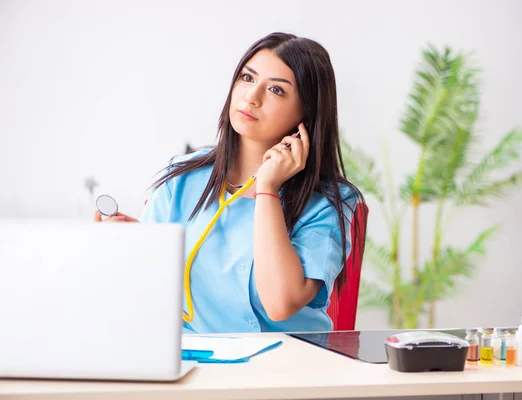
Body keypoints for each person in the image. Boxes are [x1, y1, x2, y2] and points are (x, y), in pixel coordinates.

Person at [94, 32, 367, 334]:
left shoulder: (329, 202)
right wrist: (128, 246)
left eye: (276, 89)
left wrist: (267, 189)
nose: (252, 96)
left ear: (308, 112)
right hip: (195, 364)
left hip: (287, 367)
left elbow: (279, 303)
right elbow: (146, 293)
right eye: (248, 78)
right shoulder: (181, 178)